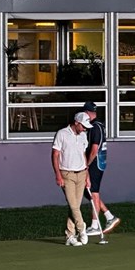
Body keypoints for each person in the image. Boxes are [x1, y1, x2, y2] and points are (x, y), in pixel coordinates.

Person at [81, 101, 121, 244]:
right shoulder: (99, 125)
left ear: (87, 113)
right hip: (100, 161)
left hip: (96, 162)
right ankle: (109, 216)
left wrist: (86, 164)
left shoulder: (95, 127)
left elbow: (94, 149)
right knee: (89, 192)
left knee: (93, 192)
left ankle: (95, 225)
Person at [52, 111, 93, 247]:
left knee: (74, 206)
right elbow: (55, 155)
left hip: (81, 173)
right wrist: (57, 174)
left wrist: (87, 175)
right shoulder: (62, 134)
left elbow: (83, 155)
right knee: (74, 205)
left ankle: (70, 235)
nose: (85, 129)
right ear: (76, 123)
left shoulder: (83, 135)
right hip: (67, 174)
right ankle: (82, 229)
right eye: (83, 126)